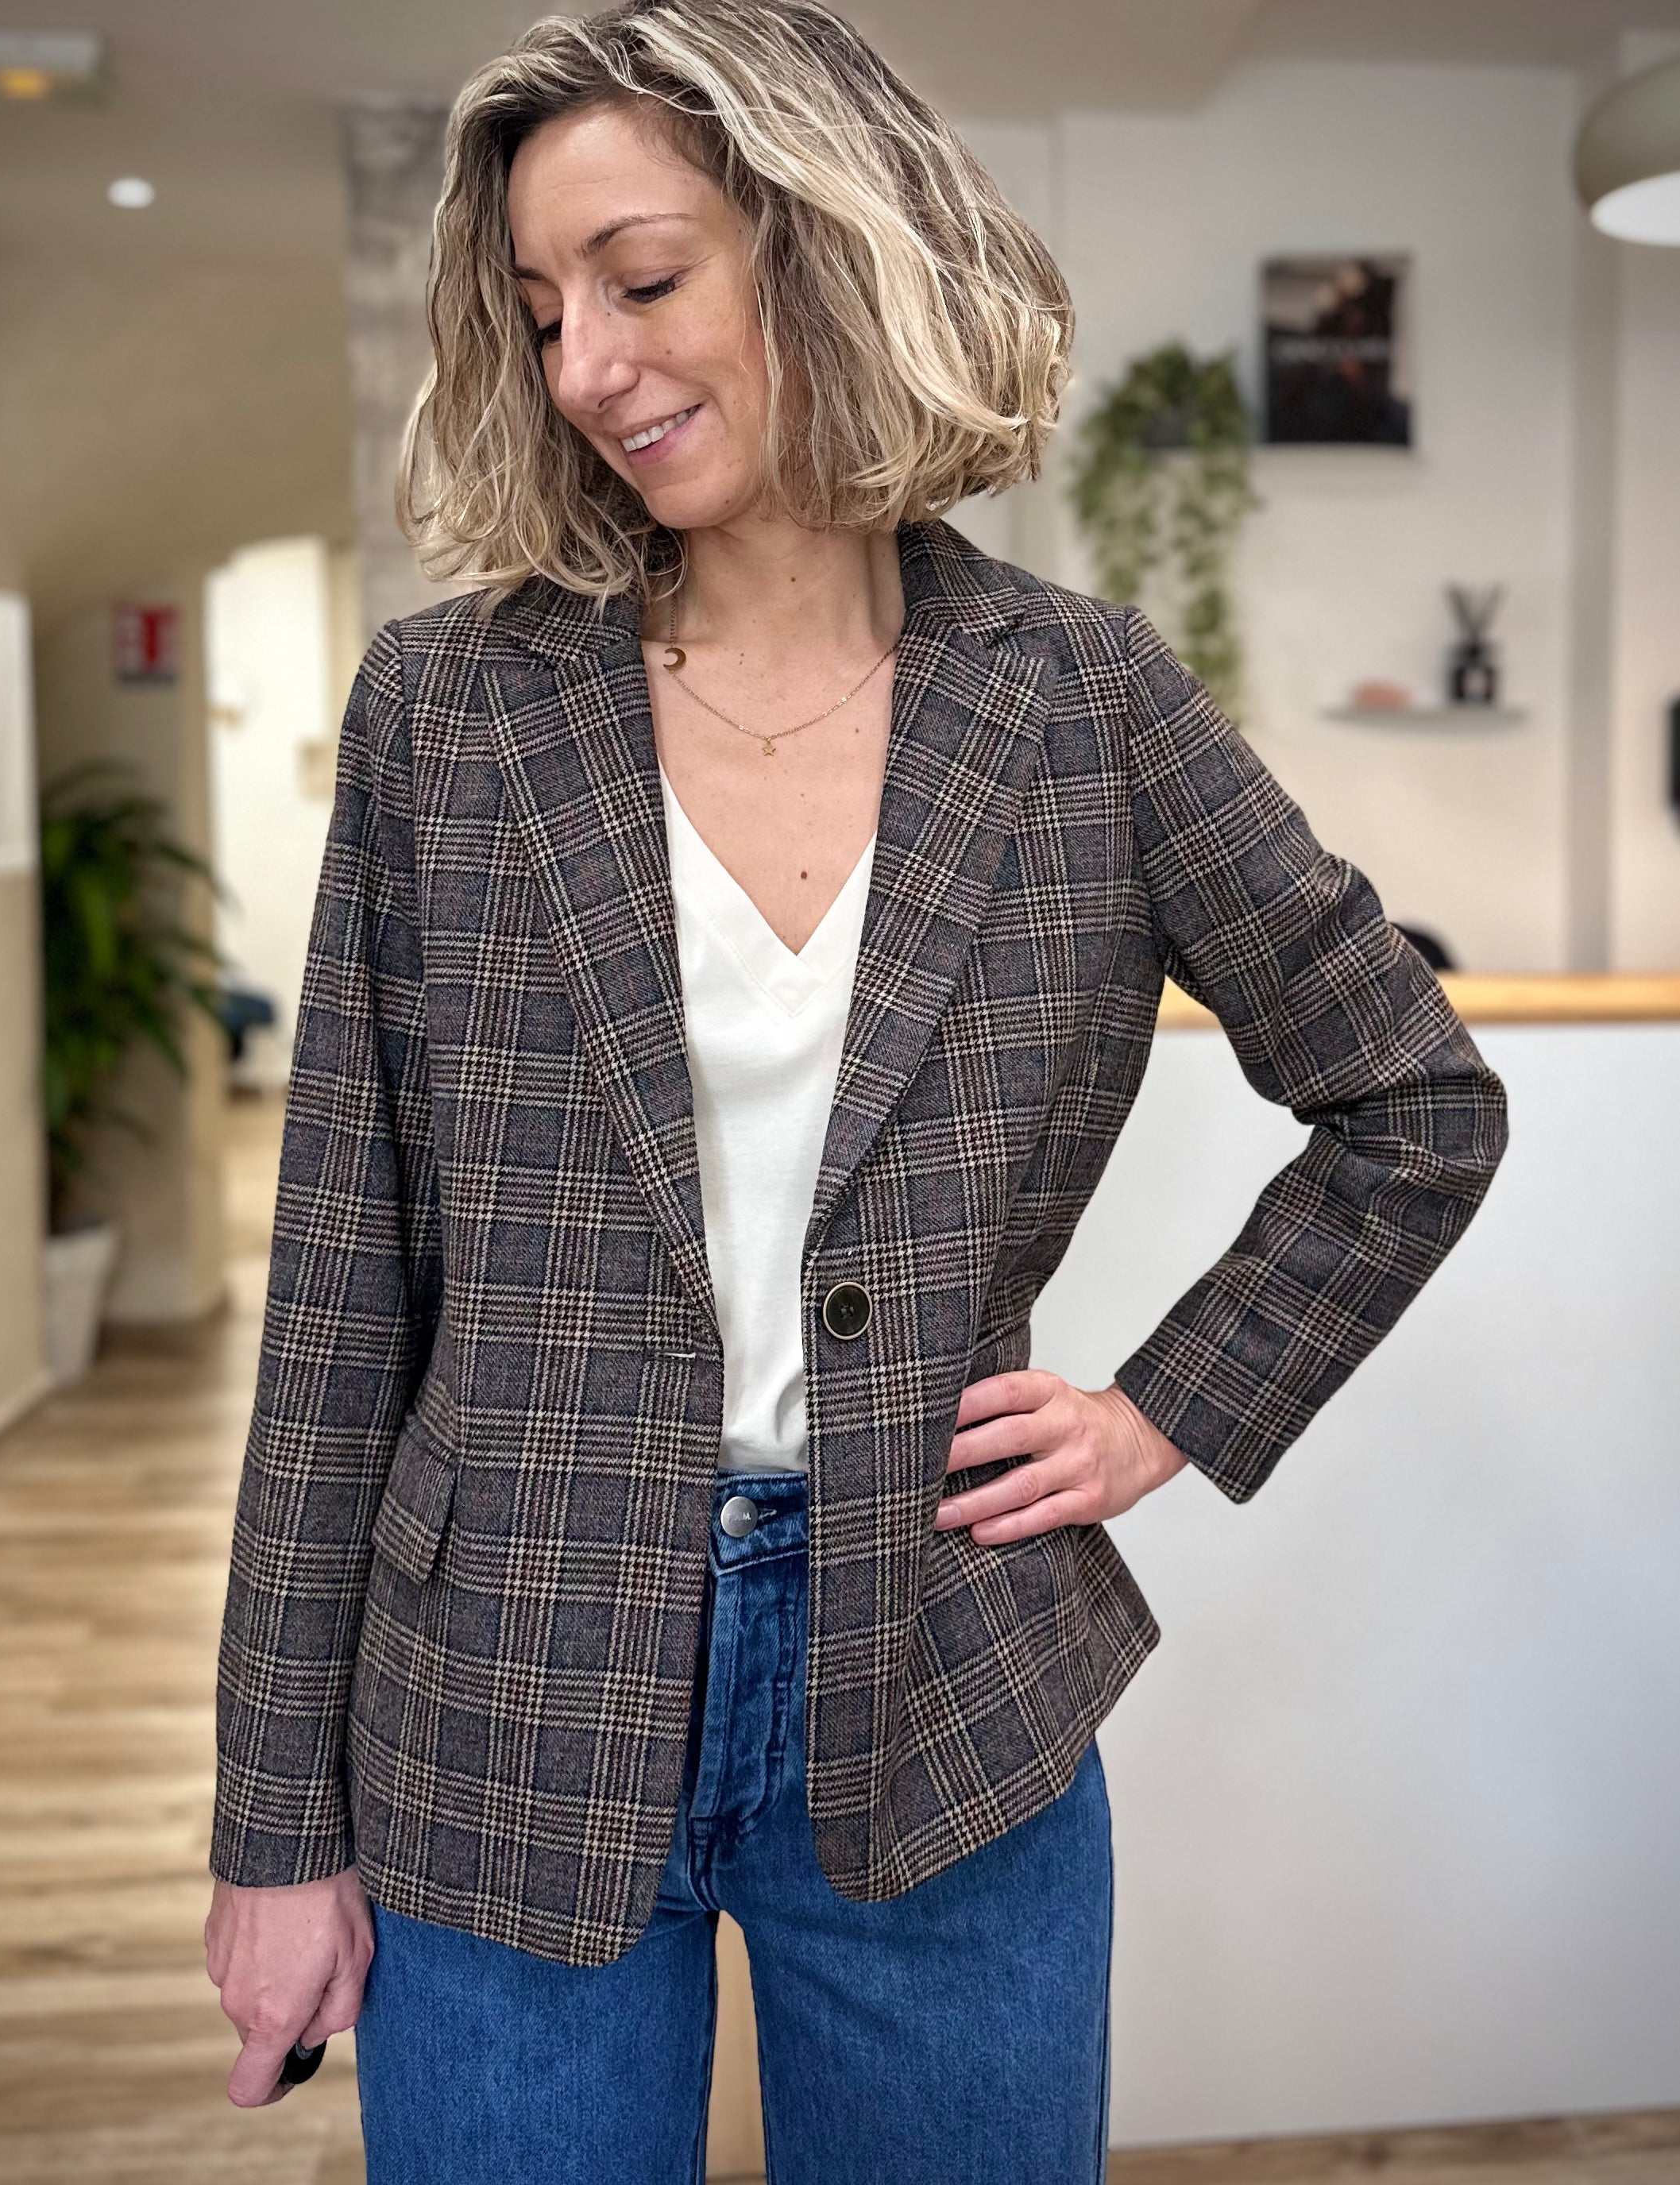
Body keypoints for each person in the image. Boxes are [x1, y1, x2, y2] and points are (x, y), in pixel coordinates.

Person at [204, 5, 1509, 2179]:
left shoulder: (1081, 703)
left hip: (942, 1689)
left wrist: (1163, 1407)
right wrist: (269, 1825)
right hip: (493, 1689)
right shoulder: (450, 711)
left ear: (828, 241)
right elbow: (341, 1302)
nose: (584, 368)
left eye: (640, 280)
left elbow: (1408, 1100)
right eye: (539, 314)